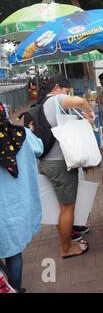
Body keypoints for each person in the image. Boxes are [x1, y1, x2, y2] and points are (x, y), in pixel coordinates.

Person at [38, 74, 95, 259]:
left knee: (60, 207)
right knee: (67, 208)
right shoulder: (56, 99)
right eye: (65, 90)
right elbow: (80, 101)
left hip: (46, 162)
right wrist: (89, 111)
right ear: (57, 87)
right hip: (59, 164)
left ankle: (67, 241)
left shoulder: (41, 105)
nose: (66, 94)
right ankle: (66, 248)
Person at [0, 102, 43, 293]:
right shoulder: (21, 135)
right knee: (14, 253)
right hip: (14, 211)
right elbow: (40, 148)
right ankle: (14, 289)